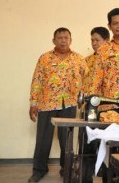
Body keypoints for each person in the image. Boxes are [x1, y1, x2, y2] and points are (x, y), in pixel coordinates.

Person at [28, 28, 87, 182]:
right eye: (59, 38)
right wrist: (34, 103)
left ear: (71, 40)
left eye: (66, 37)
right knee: (43, 139)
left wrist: (85, 100)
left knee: (66, 138)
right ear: (53, 40)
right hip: (47, 103)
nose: (63, 40)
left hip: (69, 103)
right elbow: (37, 80)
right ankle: (39, 170)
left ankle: (65, 168)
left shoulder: (79, 59)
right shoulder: (45, 58)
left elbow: (88, 80)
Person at [81, 26, 110, 183]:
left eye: (97, 40)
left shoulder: (113, 59)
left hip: (108, 108)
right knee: (87, 144)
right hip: (90, 109)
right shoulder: (87, 61)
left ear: (106, 41)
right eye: (92, 40)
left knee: (108, 144)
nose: (93, 43)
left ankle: (107, 176)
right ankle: (86, 178)